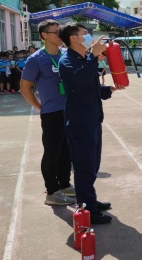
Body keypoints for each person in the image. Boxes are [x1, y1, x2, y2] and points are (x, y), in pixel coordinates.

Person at [58, 24, 125, 224]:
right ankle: (88, 209)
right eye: (85, 34)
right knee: (84, 166)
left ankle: (90, 200)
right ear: (73, 38)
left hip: (92, 119)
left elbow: (89, 87)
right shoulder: (67, 60)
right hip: (79, 122)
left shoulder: (83, 59)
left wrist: (109, 89)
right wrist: (94, 56)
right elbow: (80, 80)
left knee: (92, 164)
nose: (89, 37)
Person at [20, 19, 76, 206]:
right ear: (44, 35)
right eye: (56, 32)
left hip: (69, 111)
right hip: (52, 113)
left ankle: (64, 184)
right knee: (52, 152)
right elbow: (24, 88)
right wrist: (40, 107)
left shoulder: (66, 54)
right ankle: (52, 191)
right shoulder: (36, 59)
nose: (61, 35)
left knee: (67, 151)